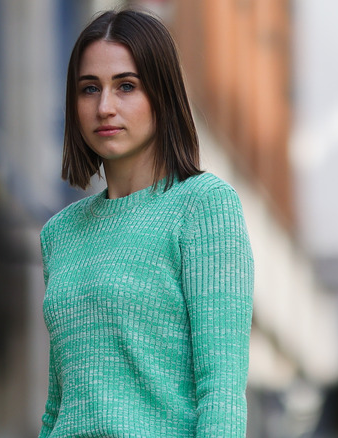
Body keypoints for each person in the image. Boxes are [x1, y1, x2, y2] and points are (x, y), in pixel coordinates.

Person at [38, 9, 254, 437]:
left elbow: (222, 392)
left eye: (126, 86)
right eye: (88, 89)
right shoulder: (59, 234)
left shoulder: (203, 206)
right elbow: (58, 404)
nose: (104, 107)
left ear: (162, 94)